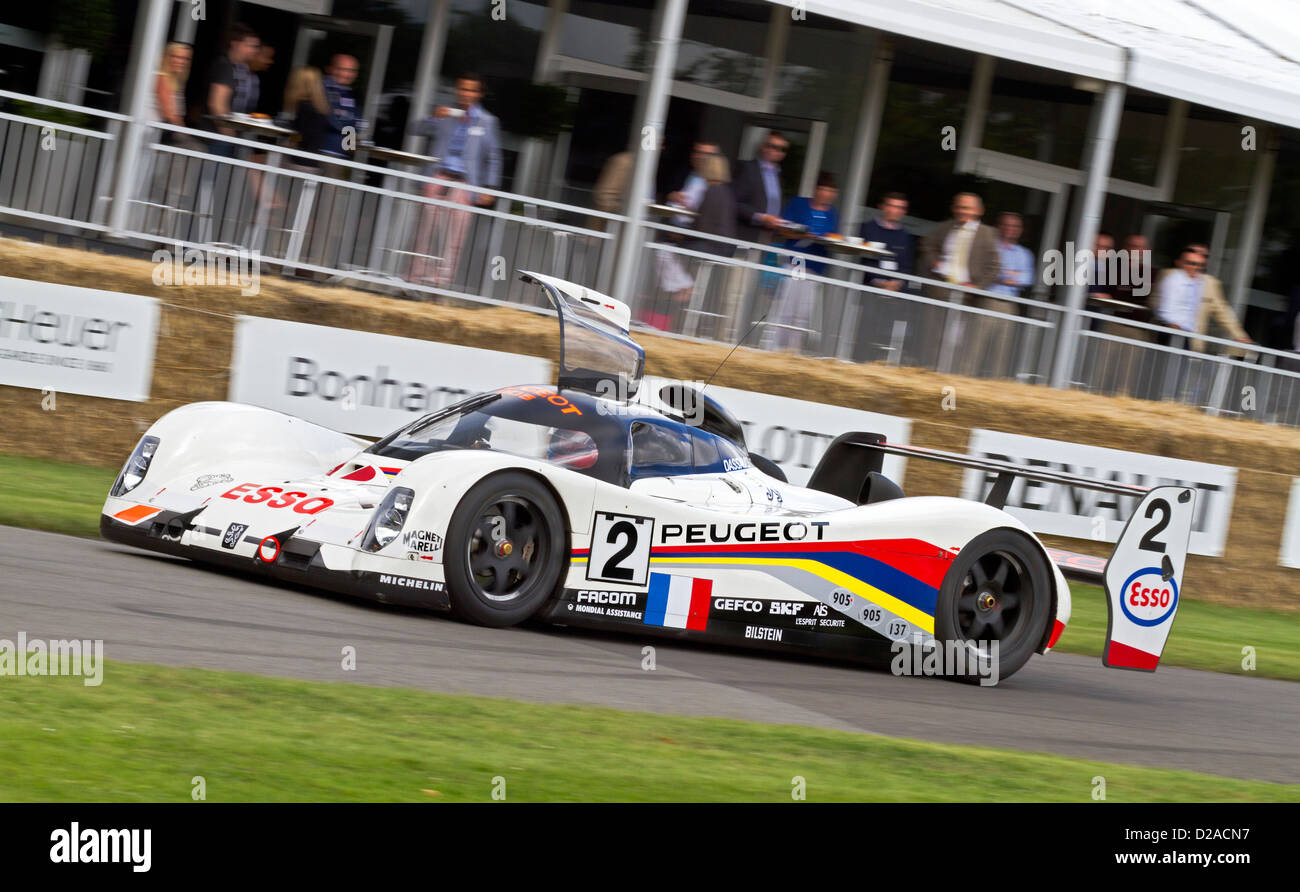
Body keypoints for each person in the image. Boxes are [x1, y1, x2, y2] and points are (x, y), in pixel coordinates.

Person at [407, 72, 502, 287]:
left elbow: (493, 156)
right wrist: (434, 117)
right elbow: (415, 129)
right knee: (424, 231)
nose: (465, 93)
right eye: (462, 89)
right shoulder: (446, 113)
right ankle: (412, 281)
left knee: (455, 239)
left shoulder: (487, 121)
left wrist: (490, 187)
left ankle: (441, 285)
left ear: (479, 94)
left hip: (465, 184)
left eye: (470, 89)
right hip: (438, 177)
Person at [918, 193, 1003, 375]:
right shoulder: (945, 228)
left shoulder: (988, 234)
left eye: (967, 208)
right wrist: (934, 262)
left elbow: (994, 266)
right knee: (934, 337)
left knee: (962, 341)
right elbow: (926, 245)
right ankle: (931, 373)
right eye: (959, 207)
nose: (962, 211)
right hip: (941, 290)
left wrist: (977, 287)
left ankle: (955, 376)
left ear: (979, 211)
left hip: (969, 296)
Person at [761, 172, 841, 352]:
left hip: (815, 265)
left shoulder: (833, 214)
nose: (826, 194)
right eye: (823, 190)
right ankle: (771, 347)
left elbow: (832, 237)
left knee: (803, 312)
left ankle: (792, 350)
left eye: (830, 191)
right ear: (816, 190)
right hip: (794, 261)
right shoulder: (799, 204)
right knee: (784, 306)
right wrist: (803, 234)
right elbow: (783, 228)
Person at [1155, 246, 1253, 353]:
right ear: (1180, 261)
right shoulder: (1169, 275)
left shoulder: (1210, 284)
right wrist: (1170, 322)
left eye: (1202, 260)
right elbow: (1156, 302)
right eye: (1191, 261)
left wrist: (1239, 335)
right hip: (1164, 335)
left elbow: (1223, 312)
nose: (1196, 265)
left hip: (1191, 342)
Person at [206, 23, 261, 156]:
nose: (253, 50)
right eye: (249, 46)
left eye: (255, 47)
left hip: (226, 137)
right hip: (218, 138)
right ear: (235, 44)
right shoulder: (224, 65)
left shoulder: (240, 68)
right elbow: (217, 105)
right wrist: (230, 136)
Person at [732, 131, 789, 244]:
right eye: (773, 146)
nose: (778, 151)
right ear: (763, 147)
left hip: (768, 237)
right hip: (744, 235)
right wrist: (761, 218)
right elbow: (734, 202)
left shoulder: (778, 175)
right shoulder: (748, 168)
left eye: (782, 149)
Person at [859, 192, 915, 291]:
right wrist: (880, 282)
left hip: (895, 289)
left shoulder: (905, 236)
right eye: (891, 206)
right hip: (866, 287)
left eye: (899, 207)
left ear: (904, 211)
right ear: (883, 207)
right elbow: (862, 259)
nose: (894, 210)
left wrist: (897, 283)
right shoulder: (867, 228)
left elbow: (906, 266)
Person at [283, 67, 330, 161]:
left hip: (301, 160)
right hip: (313, 160)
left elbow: (300, 135)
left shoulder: (304, 106)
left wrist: (289, 143)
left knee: (256, 160)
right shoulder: (319, 107)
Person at [322, 54, 361, 159]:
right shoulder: (323, 88)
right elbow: (331, 118)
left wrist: (350, 147)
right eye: (342, 69)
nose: (346, 74)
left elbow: (353, 121)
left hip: (339, 152)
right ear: (330, 69)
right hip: (323, 150)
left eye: (352, 71)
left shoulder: (347, 92)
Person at [989, 212, 1034, 299]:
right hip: (987, 296)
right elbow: (990, 272)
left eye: (1015, 226)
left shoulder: (1025, 253)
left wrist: (1003, 274)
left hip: (1010, 300)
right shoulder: (989, 247)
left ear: (1021, 230)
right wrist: (1014, 273)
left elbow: (1028, 278)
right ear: (997, 226)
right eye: (1005, 225)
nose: (1009, 228)